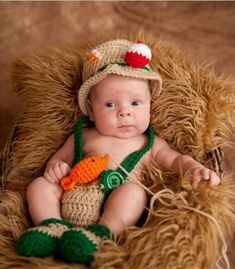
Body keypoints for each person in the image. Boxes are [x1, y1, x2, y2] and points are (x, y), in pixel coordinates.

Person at [16, 39, 220, 263]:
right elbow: (59, 158)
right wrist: (56, 167)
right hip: (71, 194)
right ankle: (53, 227)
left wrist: (194, 168)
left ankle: (101, 234)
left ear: (150, 105)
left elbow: (175, 160)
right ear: (91, 112)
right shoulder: (84, 135)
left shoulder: (151, 144)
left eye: (135, 103)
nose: (124, 113)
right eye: (111, 105)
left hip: (114, 201)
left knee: (134, 194)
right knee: (39, 186)